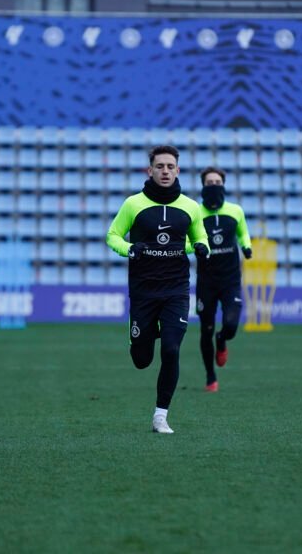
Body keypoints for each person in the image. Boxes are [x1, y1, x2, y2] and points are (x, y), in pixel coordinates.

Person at [107, 145, 209, 434]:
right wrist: (130, 249)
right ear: (149, 170)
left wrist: (201, 247)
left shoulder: (190, 207)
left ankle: (160, 415)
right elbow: (112, 235)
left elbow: (199, 237)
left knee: (172, 349)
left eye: (170, 166)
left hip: (176, 290)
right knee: (142, 360)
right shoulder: (133, 204)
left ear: (177, 170)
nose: (165, 171)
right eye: (160, 166)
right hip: (143, 292)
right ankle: (142, 333)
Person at [194, 166, 252, 392]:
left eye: (217, 182)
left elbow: (243, 232)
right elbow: (190, 240)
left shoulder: (235, 210)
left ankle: (223, 339)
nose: (214, 186)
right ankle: (210, 376)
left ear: (223, 184)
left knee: (230, 325)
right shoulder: (196, 212)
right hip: (206, 282)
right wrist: (195, 248)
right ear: (203, 185)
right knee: (205, 330)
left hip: (230, 280)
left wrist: (246, 246)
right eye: (209, 182)